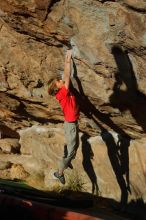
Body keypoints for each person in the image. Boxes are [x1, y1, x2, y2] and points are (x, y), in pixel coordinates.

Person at [48, 49, 80, 184]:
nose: (61, 81)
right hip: (70, 124)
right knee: (72, 151)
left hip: (72, 123)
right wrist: (67, 60)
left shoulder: (62, 92)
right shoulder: (61, 94)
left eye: (59, 80)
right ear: (57, 87)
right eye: (58, 82)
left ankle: (67, 159)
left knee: (75, 146)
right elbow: (67, 77)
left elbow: (66, 78)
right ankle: (59, 173)